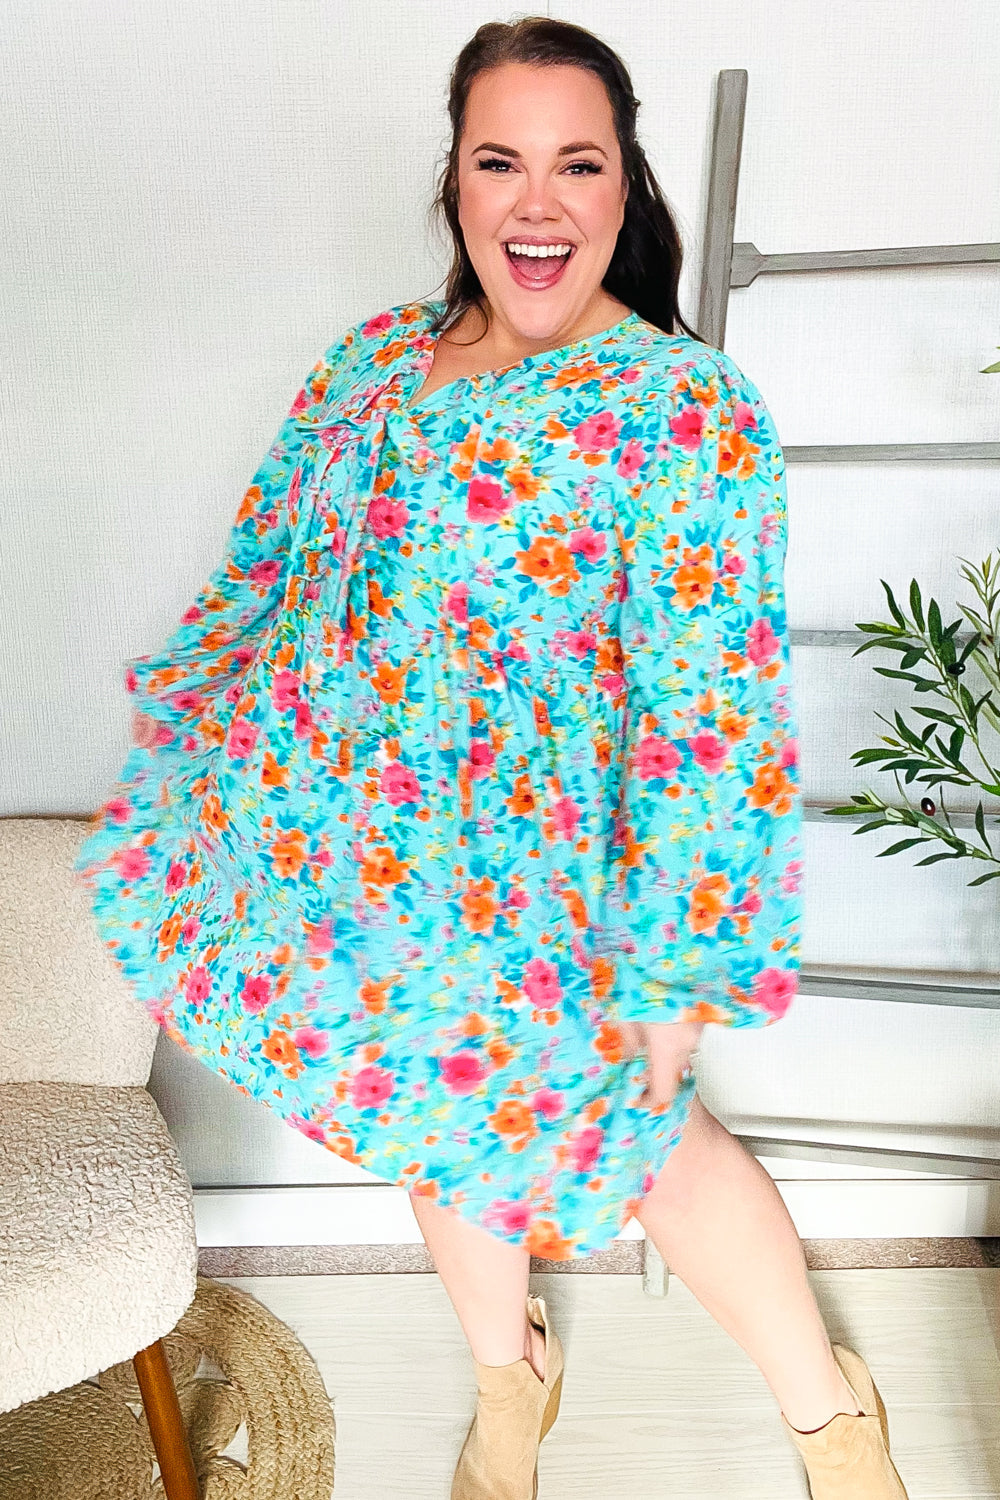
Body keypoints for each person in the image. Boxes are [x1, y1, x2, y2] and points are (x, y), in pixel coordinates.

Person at [74, 15, 909, 1500]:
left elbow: (709, 702)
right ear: (454, 181)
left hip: (552, 886)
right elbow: (271, 569)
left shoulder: (682, 411)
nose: (538, 202)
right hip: (368, 870)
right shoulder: (374, 362)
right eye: (499, 161)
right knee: (438, 1131)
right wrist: (192, 741)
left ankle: (832, 1424)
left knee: (660, 1154)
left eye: (577, 163)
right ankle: (509, 1380)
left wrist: (675, 969)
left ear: (624, 184)